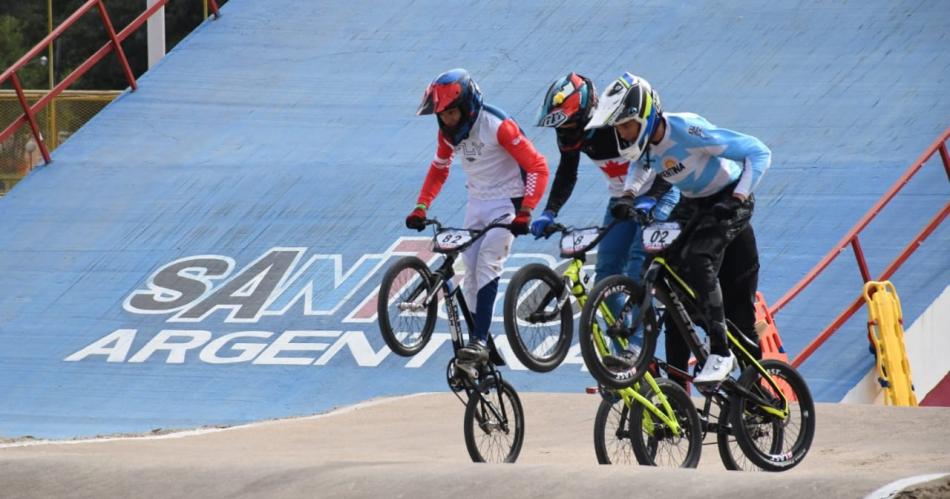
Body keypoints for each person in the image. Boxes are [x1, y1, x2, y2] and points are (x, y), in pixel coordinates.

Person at [586, 72, 769, 385]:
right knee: (651, 260)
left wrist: (738, 196)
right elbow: (642, 164)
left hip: (728, 197)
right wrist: (628, 194)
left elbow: (758, 151)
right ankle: (642, 340)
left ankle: (721, 351)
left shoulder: (687, 129)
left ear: (644, 116)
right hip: (694, 201)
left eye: (626, 126)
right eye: (619, 129)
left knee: (699, 258)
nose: (624, 135)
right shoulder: (644, 143)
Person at [406, 68, 549, 363]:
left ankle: (480, 340)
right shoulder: (447, 134)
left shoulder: (498, 125)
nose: (446, 121)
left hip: (508, 203)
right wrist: (422, 206)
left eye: (451, 113)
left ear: (468, 106)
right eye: (441, 115)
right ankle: (479, 345)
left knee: (487, 263)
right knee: (467, 271)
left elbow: (537, 166)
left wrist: (526, 210)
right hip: (477, 202)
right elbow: (439, 168)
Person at [530, 72, 681, 285]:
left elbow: (667, 159)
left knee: (639, 267)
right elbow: (566, 172)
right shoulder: (568, 130)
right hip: (620, 201)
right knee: (606, 274)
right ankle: (623, 319)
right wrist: (549, 211)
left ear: (586, 115)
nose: (564, 132)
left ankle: (650, 316)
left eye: (569, 125)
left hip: (658, 194)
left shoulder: (620, 125)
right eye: (559, 127)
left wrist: (652, 197)